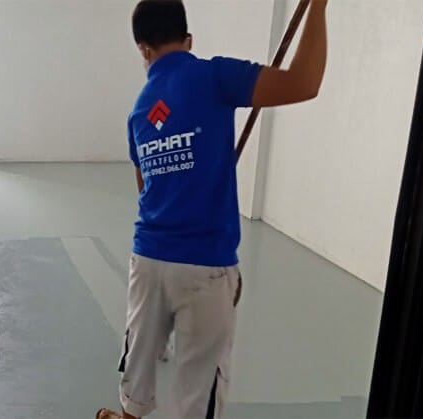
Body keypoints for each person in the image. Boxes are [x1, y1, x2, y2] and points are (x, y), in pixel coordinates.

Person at [96, 0, 328, 418]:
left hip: (147, 259)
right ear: (188, 41)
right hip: (205, 266)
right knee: (199, 383)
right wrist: (319, 7)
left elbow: (146, 189)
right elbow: (303, 83)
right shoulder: (215, 76)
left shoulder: (139, 111)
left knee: (139, 358)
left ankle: (128, 414)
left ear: (143, 50)